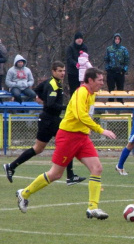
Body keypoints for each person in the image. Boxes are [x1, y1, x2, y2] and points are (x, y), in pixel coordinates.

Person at [15, 68, 117, 219]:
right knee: (56, 174)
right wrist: (100, 130)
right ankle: (24, 193)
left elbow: (85, 115)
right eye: (100, 80)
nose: (102, 83)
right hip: (68, 136)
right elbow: (80, 115)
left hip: (81, 138)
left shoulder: (92, 94)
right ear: (90, 80)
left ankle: (92, 208)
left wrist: (87, 129)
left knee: (97, 168)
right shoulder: (81, 92)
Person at [4, 61, 85, 185]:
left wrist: (42, 99)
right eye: (59, 71)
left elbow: (37, 90)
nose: (62, 73)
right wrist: (67, 108)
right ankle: (70, 176)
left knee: (39, 148)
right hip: (49, 120)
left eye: (63, 70)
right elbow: (52, 104)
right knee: (66, 143)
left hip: (49, 119)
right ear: (53, 71)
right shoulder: (53, 84)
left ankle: (11, 166)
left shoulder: (52, 82)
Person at [105, 33, 129, 103]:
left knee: (120, 90)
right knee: (111, 90)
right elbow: (106, 60)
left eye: (118, 39)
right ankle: (110, 106)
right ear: (114, 39)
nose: (117, 40)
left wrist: (124, 70)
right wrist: (107, 69)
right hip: (111, 72)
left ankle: (119, 107)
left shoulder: (124, 49)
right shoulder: (109, 49)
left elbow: (127, 60)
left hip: (120, 72)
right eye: (116, 39)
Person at [66, 31, 88, 96]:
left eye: (80, 38)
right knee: (73, 91)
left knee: (81, 90)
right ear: (75, 39)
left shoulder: (84, 47)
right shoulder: (70, 47)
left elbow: (86, 57)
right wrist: (76, 64)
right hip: (72, 72)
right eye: (78, 38)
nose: (79, 40)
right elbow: (69, 59)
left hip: (82, 73)